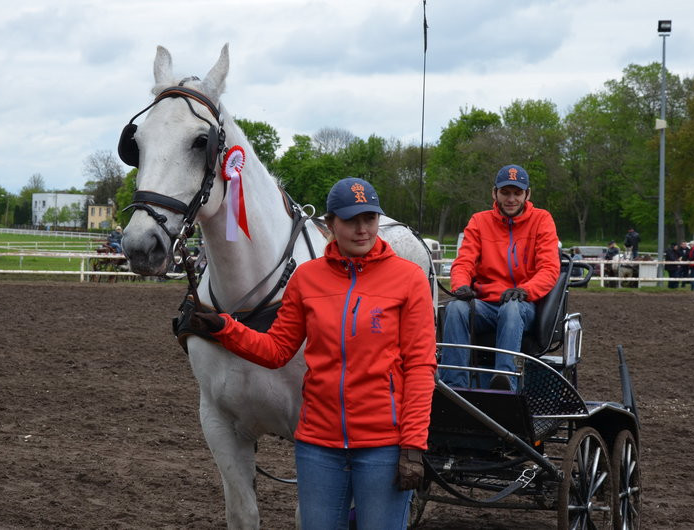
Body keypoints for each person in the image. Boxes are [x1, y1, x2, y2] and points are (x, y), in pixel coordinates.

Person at [187, 177, 436, 530]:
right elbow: (276, 350)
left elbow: (420, 366)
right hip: (319, 447)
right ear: (331, 224)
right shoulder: (306, 279)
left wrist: (413, 444)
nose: (362, 229)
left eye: (370, 218)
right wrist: (225, 329)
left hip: (384, 446)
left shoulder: (408, 279)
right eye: (351, 220)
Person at [439, 164, 560, 392]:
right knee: (456, 309)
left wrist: (525, 291)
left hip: (523, 306)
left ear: (527, 194)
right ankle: (455, 387)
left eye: (517, 193)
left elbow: (549, 269)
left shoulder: (542, 220)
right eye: (505, 192)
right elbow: (464, 261)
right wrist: (461, 286)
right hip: (486, 306)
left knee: (511, 307)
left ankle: (504, 382)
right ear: (494, 193)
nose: (511, 199)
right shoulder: (479, 221)